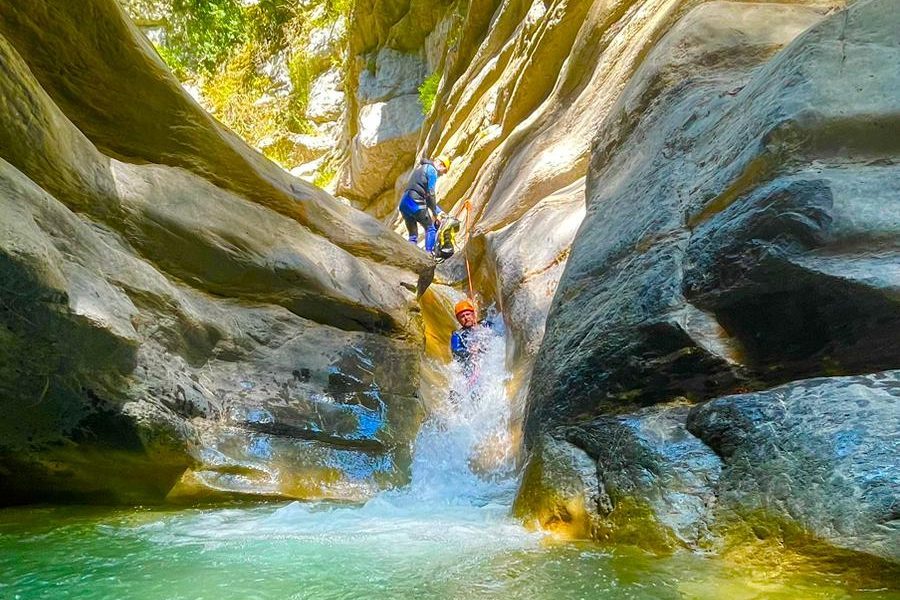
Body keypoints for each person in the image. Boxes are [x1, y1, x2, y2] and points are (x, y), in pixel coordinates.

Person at [399, 155, 450, 253]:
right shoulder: (432, 171)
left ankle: (409, 254)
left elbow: (426, 198)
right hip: (415, 202)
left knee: (413, 236)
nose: (442, 174)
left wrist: (438, 211)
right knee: (430, 228)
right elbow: (431, 194)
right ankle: (428, 255)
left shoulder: (420, 169)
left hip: (404, 202)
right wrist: (435, 213)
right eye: (444, 171)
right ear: (441, 165)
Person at [450, 299, 493, 367]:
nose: (466, 318)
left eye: (468, 314)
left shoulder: (485, 324)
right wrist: (469, 351)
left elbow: (498, 331)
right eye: (462, 316)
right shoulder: (457, 335)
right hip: (471, 363)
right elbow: (456, 350)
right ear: (458, 320)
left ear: (473, 314)